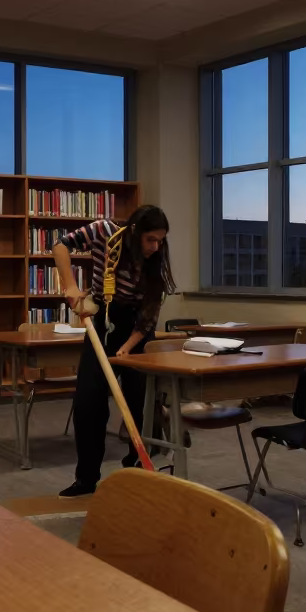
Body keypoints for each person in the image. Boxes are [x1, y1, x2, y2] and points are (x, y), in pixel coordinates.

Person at [53, 205, 176, 498]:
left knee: (138, 405)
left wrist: (126, 349)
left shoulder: (156, 260)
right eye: (151, 240)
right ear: (135, 233)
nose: (156, 246)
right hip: (102, 322)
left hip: (136, 331)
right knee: (87, 403)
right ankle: (86, 479)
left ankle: (137, 467)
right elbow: (60, 245)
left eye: (160, 240)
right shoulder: (104, 232)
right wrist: (70, 287)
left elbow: (149, 314)